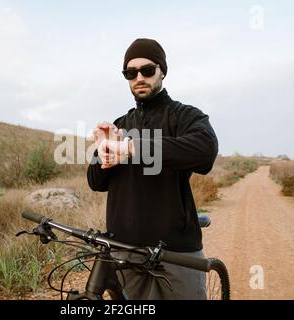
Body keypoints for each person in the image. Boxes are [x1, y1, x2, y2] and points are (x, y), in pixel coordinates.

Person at [87, 38, 218, 299]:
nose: (139, 77)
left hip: (177, 254)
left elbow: (206, 150)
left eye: (147, 70)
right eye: (130, 72)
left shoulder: (183, 115)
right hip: (124, 251)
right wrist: (102, 150)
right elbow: (95, 182)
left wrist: (132, 147)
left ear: (162, 71)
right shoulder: (120, 124)